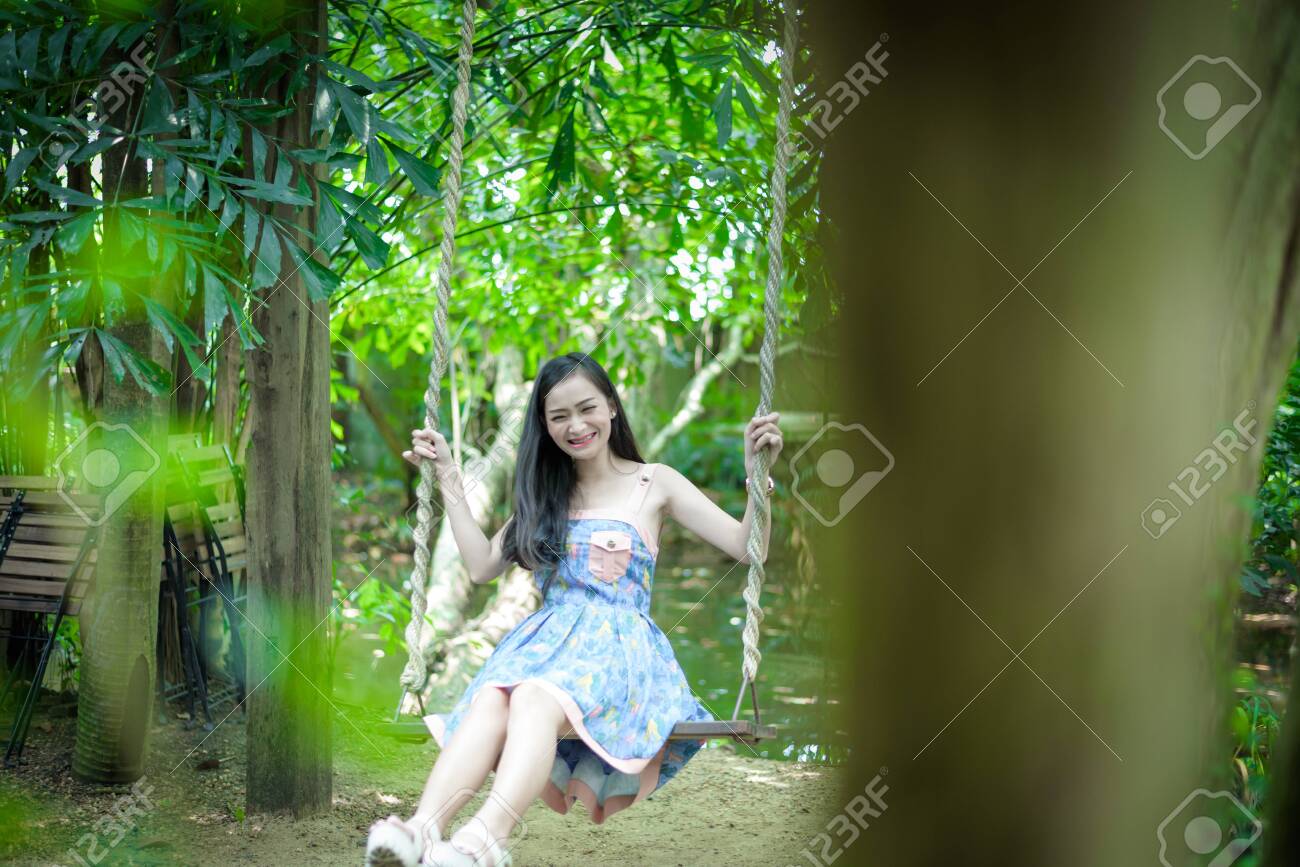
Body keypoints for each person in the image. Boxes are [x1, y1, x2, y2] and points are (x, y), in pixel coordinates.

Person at [365, 352, 783, 867]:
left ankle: (485, 839)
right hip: (545, 645)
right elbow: (480, 567)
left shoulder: (656, 482)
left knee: (535, 697)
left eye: (586, 408)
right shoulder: (545, 494)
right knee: (495, 698)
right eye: (559, 416)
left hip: (620, 651)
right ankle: (421, 830)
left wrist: (753, 473)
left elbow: (747, 548)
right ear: (544, 424)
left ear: (611, 406)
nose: (576, 425)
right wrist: (449, 475)